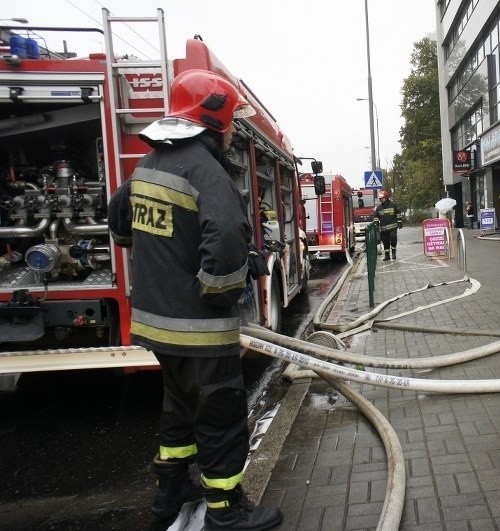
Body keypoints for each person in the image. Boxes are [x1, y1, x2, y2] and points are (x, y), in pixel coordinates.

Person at [108, 69, 282, 530]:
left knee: (179, 408)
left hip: (155, 322)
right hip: (199, 329)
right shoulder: (206, 168)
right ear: (219, 122)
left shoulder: (149, 164)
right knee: (220, 415)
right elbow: (224, 235)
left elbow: (121, 224)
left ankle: (171, 492)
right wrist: (219, 289)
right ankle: (226, 511)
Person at [373, 189, 400, 261]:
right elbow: (376, 217)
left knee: (393, 238)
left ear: (386, 198)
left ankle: (393, 252)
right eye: (380, 199)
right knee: (385, 242)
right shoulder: (379, 208)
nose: (381, 200)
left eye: (382, 198)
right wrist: (376, 224)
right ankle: (387, 255)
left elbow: (398, 214)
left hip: (393, 227)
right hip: (384, 228)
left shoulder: (393, 205)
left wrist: (400, 222)